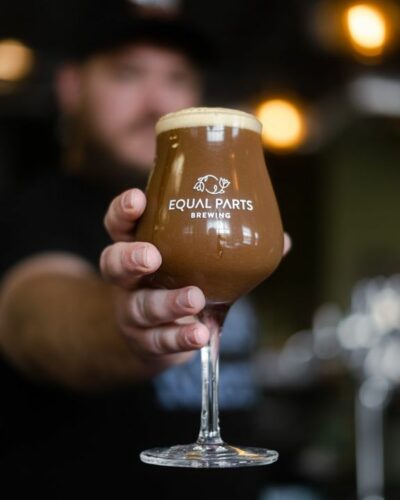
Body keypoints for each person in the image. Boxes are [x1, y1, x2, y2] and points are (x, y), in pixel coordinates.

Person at [0, 1, 290, 497]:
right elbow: (35, 319)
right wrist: (123, 323)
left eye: (177, 78)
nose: (157, 100)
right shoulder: (38, 209)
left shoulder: (211, 215)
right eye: (128, 73)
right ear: (71, 86)